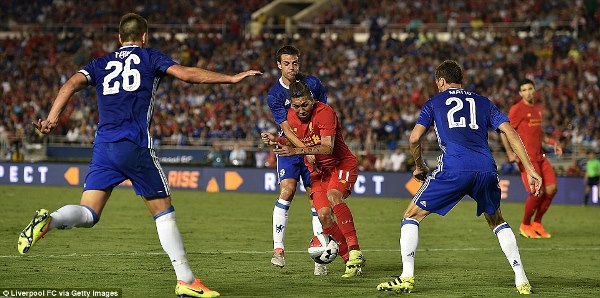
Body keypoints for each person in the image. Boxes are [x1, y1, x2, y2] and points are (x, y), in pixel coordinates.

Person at [18, 13, 261, 298]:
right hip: (134, 145)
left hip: (104, 147)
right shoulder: (149, 57)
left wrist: (51, 118)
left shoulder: (99, 63)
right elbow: (186, 75)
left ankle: (52, 220)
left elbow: (69, 84)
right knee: (163, 211)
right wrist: (231, 79)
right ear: (144, 37)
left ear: (119, 38)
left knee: (88, 213)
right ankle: (186, 281)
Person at [376, 60, 542, 295]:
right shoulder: (484, 102)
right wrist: (531, 169)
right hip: (485, 168)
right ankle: (521, 279)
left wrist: (419, 166)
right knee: (497, 220)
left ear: (441, 81)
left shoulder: (434, 102)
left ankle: (406, 277)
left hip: (454, 167)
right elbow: (511, 132)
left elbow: (414, 138)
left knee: (411, 216)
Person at [261, 80, 365, 278]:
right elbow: (295, 138)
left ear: (312, 100)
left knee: (334, 196)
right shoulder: (291, 116)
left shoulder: (325, 112)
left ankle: (354, 250)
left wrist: (295, 150)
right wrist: (277, 139)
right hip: (318, 172)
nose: (300, 110)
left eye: (304, 105)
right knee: (324, 215)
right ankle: (348, 261)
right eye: (296, 106)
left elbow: (327, 147)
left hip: (340, 165)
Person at [266, 45, 328, 275]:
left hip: (313, 146)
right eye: (287, 63)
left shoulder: (313, 84)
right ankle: (279, 250)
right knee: (287, 191)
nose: (292, 68)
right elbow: (285, 128)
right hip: (291, 148)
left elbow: (324, 112)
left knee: (316, 199)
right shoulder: (274, 95)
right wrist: (305, 149)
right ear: (278, 65)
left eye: (295, 63)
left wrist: (318, 145)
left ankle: (319, 259)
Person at [500, 79, 562, 239]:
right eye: (524, 90)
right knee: (537, 192)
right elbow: (504, 131)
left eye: (530, 89)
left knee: (552, 189)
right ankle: (525, 225)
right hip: (527, 159)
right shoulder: (517, 109)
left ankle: (537, 224)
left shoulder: (537, 109)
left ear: (534, 90)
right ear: (520, 93)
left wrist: (553, 142)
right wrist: (509, 153)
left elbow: (538, 134)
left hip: (540, 156)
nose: (528, 92)